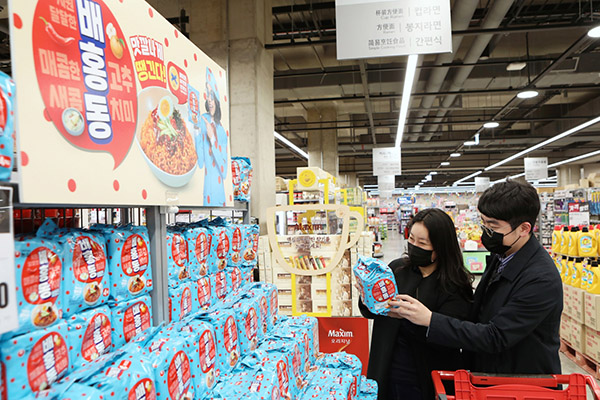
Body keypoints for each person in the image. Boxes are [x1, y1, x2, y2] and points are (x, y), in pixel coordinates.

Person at [391, 180, 563, 375]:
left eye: (493, 226)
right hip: (490, 373)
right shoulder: (502, 256)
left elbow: (496, 336)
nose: (485, 231)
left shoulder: (540, 280)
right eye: (483, 222)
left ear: (524, 228)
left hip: (520, 382)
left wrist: (431, 319)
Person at [359, 208, 474, 400]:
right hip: (386, 367)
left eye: (422, 243)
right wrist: (366, 294)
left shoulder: (455, 285)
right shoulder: (397, 268)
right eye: (411, 239)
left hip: (424, 376)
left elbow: (452, 336)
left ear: (441, 247)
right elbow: (370, 312)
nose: (414, 246)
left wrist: (413, 318)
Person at [196, 67, 229, 206]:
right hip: (203, 188)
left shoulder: (221, 131)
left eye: (212, 95)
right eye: (207, 94)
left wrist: (212, 139)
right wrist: (197, 133)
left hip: (219, 192)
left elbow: (224, 169)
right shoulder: (202, 120)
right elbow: (200, 162)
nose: (209, 100)